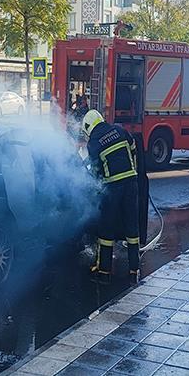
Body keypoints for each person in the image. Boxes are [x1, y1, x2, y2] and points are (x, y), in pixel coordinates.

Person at [81, 109, 140, 285]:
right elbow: (133, 149)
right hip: (131, 183)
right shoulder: (120, 130)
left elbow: (96, 170)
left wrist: (95, 187)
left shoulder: (93, 142)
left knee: (106, 229)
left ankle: (104, 272)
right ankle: (133, 270)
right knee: (132, 227)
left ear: (88, 127)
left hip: (112, 187)